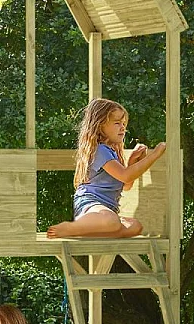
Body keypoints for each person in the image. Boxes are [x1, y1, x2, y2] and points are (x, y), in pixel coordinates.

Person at [47, 98, 166, 239]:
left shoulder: (112, 152)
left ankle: (94, 232)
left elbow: (126, 185)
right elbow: (126, 176)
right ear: (100, 125)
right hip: (91, 204)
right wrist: (155, 155)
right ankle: (70, 228)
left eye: (124, 124)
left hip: (108, 210)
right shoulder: (100, 150)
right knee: (112, 221)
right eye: (117, 123)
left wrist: (133, 161)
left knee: (135, 226)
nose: (122, 127)